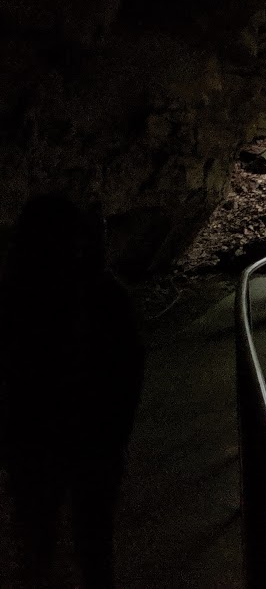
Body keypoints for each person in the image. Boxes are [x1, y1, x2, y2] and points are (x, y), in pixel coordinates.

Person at [0, 195, 144, 589]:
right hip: (88, 440)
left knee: (38, 541)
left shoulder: (16, 297)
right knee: (93, 542)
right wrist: (114, 435)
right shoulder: (102, 293)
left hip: (35, 440)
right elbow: (128, 368)